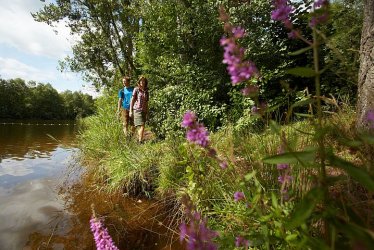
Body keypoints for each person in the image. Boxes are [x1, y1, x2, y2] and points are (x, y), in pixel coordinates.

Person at [129, 76, 149, 143]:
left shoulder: (146, 91)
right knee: (142, 125)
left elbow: (146, 102)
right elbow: (132, 100)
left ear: (145, 82)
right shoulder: (136, 89)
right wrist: (130, 111)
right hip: (137, 110)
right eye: (141, 81)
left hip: (144, 110)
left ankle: (133, 137)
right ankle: (140, 141)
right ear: (139, 82)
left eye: (144, 81)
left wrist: (147, 112)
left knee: (138, 126)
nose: (142, 82)